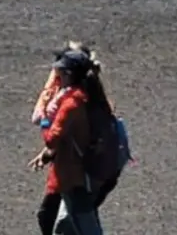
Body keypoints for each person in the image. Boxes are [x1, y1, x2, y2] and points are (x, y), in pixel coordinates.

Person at [30, 42, 121, 235]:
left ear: (69, 74)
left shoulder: (71, 103)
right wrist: (47, 155)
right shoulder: (88, 97)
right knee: (66, 224)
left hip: (77, 177)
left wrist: (46, 122)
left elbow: (53, 138)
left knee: (74, 226)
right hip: (85, 175)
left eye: (60, 71)